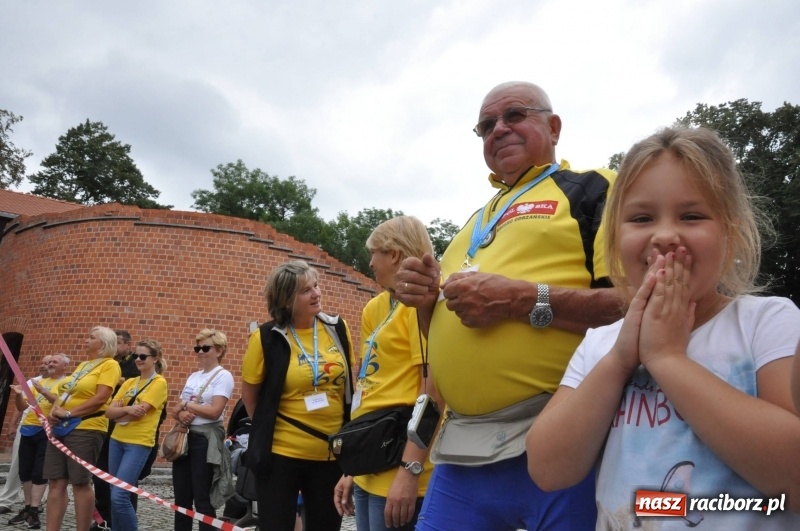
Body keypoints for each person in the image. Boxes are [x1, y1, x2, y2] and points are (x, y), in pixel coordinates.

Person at [527, 126, 800, 529]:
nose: (666, 235)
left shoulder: (769, 323)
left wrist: (666, 358)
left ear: (731, 231)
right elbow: (548, 468)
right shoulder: (601, 344)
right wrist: (621, 359)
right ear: (616, 239)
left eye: (691, 216)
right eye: (641, 218)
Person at [395, 81, 622, 530]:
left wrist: (520, 299)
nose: (498, 129)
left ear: (553, 127)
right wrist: (425, 303)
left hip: (558, 439)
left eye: (514, 115)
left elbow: (631, 307)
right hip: (463, 450)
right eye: (486, 125)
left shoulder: (595, 187)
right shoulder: (475, 220)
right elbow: (441, 341)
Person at [334, 216, 441, 530]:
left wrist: (410, 470)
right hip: (370, 462)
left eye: (373, 253)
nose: (369, 262)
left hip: (402, 462)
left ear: (393, 254)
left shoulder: (422, 305)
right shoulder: (375, 307)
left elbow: (433, 394)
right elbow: (369, 390)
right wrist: (353, 466)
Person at [241, 260, 355, 531]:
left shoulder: (338, 328)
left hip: (330, 455)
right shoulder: (266, 337)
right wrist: (267, 430)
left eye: (316, 286)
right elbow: (250, 397)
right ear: (285, 299)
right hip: (281, 456)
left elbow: (351, 387)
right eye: (305, 290)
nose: (316, 293)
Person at [44, 326, 122, 531]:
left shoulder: (110, 365)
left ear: (103, 344)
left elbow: (101, 398)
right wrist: (55, 411)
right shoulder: (83, 365)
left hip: (86, 427)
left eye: (91, 337)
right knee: (56, 482)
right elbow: (65, 394)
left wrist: (69, 413)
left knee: (80, 482)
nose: (85, 340)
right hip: (61, 427)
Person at [171, 329, 235, 531]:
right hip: (186, 437)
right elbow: (175, 409)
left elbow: (215, 411)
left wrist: (187, 407)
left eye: (205, 348)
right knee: (181, 499)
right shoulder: (193, 376)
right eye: (197, 347)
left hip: (205, 440)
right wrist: (180, 413)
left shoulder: (223, 376)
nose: (200, 352)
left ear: (219, 350)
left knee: (202, 498)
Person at [105, 338, 168, 531]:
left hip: (138, 443)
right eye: (135, 356)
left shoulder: (159, 383)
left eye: (143, 356)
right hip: (116, 440)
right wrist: (128, 410)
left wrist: (123, 410)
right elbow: (108, 412)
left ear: (155, 358)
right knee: (113, 492)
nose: (138, 359)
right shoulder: (130, 382)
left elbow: (141, 412)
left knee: (120, 495)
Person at [5, 354, 64, 528]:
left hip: (47, 431)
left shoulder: (64, 383)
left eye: (54, 362)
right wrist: (17, 395)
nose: (49, 365)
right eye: (48, 362)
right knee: (25, 471)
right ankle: (27, 507)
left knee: (39, 472)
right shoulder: (38, 382)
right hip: (28, 429)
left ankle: (34, 510)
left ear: (64, 367)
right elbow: (23, 407)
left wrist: (43, 392)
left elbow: (62, 402)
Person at [93, 329, 141, 530]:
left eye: (118, 342)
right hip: (105, 425)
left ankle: (123, 519)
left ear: (128, 345)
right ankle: (103, 519)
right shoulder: (107, 363)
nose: (115, 346)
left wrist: (113, 378)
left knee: (125, 481)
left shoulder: (134, 364)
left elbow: (135, 387)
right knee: (100, 475)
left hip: (124, 427)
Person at [0, 355, 51, 515]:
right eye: (42, 363)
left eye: (48, 363)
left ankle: (36, 502)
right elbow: (19, 405)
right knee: (17, 463)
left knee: (40, 467)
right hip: (26, 425)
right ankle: (7, 499)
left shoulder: (59, 382)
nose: (43, 366)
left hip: (46, 427)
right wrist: (12, 424)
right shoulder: (30, 382)